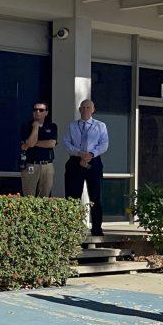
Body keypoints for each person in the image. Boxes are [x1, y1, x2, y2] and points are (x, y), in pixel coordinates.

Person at [63, 99, 110, 236]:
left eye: (88, 107)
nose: (85, 110)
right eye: (83, 107)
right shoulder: (72, 126)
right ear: (79, 109)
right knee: (73, 198)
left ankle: (96, 229)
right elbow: (66, 143)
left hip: (93, 162)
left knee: (95, 197)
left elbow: (104, 144)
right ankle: (72, 229)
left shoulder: (100, 126)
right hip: (75, 162)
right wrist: (79, 153)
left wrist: (90, 154)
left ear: (93, 110)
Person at [19, 101, 58, 197]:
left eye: (41, 110)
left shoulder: (52, 126)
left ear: (46, 113)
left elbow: (51, 143)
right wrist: (35, 127)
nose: (38, 112)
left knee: (44, 196)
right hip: (31, 165)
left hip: (47, 165)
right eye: (35, 110)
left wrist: (31, 144)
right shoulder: (26, 126)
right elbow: (31, 143)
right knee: (29, 197)